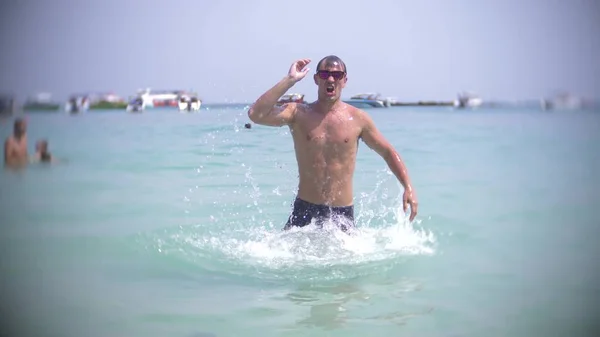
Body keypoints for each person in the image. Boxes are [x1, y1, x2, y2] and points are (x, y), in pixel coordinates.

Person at [247, 56, 418, 232]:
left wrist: (408, 187)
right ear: (316, 79)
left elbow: (388, 152)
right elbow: (256, 114)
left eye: (336, 75)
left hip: (342, 214)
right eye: (324, 73)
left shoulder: (358, 119)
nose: (330, 79)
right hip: (304, 211)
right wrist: (289, 80)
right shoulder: (298, 113)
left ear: (344, 80)